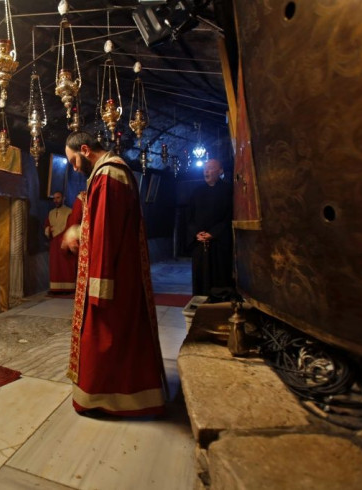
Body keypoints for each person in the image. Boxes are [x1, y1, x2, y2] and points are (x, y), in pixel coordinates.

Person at [62, 131, 167, 417]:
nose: (74, 167)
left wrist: (98, 287)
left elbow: (107, 234)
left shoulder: (108, 176)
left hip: (111, 277)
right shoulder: (108, 173)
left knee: (107, 336)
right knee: (125, 338)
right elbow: (100, 227)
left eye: (73, 160)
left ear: (85, 149)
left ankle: (102, 398)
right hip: (120, 272)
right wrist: (79, 231)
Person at [186, 158, 233, 296]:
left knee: (219, 277)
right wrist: (196, 234)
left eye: (211, 168)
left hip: (219, 243)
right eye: (205, 168)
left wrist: (214, 233)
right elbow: (189, 217)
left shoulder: (228, 190)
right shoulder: (197, 191)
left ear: (220, 171)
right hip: (200, 243)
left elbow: (229, 216)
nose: (206, 171)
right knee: (201, 278)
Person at [44, 191, 75, 293]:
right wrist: (48, 229)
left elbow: (71, 225)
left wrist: (66, 238)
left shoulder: (69, 211)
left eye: (58, 198)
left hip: (64, 241)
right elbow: (46, 225)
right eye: (54, 198)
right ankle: (55, 288)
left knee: (66, 265)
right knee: (55, 265)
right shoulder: (51, 213)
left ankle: (68, 288)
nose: (56, 200)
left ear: (63, 198)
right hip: (54, 243)